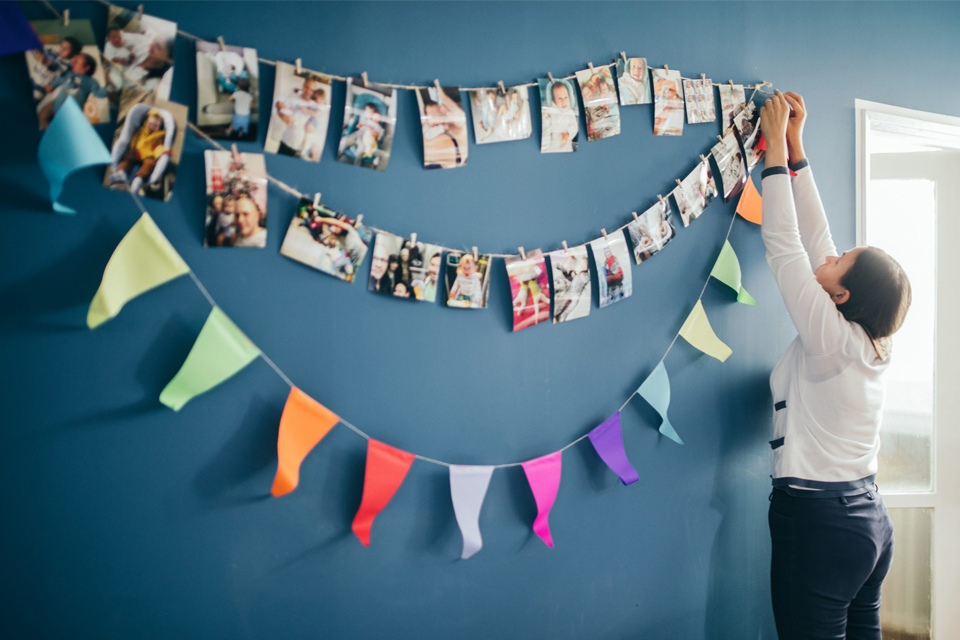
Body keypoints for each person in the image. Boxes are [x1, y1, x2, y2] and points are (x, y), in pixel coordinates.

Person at [760, 91, 912, 640]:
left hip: (820, 523)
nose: (830, 255)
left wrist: (774, 146)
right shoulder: (865, 341)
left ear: (844, 294)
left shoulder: (831, 338)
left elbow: (785, 244)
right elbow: (817, 240)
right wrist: (798, 147)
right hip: (867, 523)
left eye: (842, 261)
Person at [38, 53, 109, 129]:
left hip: (70, 114)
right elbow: (59, 79)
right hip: (55, 104)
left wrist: (109, 88)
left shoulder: (91, 81)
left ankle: (55, 133)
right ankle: (50, 131)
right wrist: (52, 85)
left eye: (76, 61)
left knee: (66, 129)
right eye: (73, 61)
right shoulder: (69, 73)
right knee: (42, 116)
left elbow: (98, 93)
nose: (72, 63)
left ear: (86, 68)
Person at [108, 108, 169, 194]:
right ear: (146, 122)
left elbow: (158, 147)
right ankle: (122, 172)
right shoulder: (140, 131)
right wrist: (132, 147)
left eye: (155, 126)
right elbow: (134, 138)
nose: (151, 127)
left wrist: (160, 152)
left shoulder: (159, 136)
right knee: (128, 157)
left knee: (150, 164)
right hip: (136, 151)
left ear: (159, 127)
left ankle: (139, 179)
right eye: (150, 124)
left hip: (148, 154)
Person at [541, 80, 579, 152]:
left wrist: (568, 133)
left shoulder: (570, 113)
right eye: (559, 98)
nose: (563, 101)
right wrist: (544, 117)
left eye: (566, 97)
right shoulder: (550, 111)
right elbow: (546, 124)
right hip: (552, 146)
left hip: (565, 147)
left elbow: (574, 126)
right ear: (554, 101)